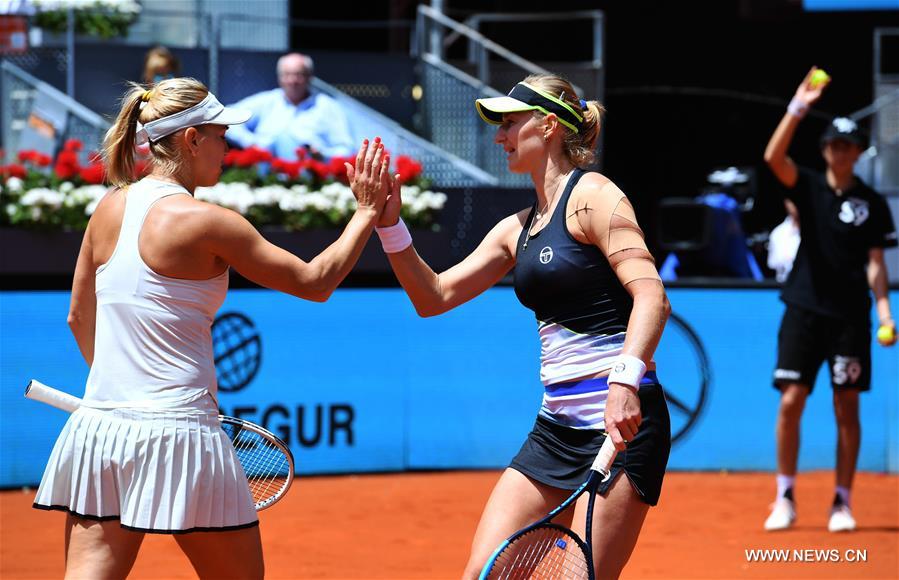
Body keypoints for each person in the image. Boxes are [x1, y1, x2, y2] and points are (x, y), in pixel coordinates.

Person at [31, 77, 391, 578]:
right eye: (220, 133)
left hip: (100, 429)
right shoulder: (209, 221)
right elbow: (316, 281)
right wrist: (368, 212)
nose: (229, 143)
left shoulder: (107, 208)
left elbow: (78, 316)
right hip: (183, 433)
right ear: (191, 139)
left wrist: (122, 393)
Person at [374, 74, 671, 579]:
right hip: (554, 433)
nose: (499, 137)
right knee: (481, 573)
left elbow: (652, 296)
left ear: (549, 125)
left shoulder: (596, 197)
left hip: (618, 434)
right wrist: (389, 224)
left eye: (509, 124)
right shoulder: (518, 228)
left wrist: (624, 381)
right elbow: (434, 296)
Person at [762, 67, 897, 533]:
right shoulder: (808, 186)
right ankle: (784, 495)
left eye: (849, 144)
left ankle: (841, 501)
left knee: (846, 406)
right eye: (834, 144)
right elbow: (772, 155)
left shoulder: (872, 204)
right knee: (790, 401)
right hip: (803, 310)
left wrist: (884, 311)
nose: (841, 151)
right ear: (825, 151)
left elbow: (876, 264)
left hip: (851, 318)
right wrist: (799, 104)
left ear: (859, 152)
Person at [226, 52, 354, 160]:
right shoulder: (267, 101)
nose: (293, 81)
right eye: (287, 75)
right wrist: (253, 144)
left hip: (311, 178)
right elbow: (228, 118)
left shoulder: (327, 106)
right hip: (265, 174)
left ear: (310, 77)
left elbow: (346, 148)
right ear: (279, 78)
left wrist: (323, 154)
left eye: (299, 74)